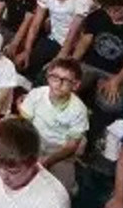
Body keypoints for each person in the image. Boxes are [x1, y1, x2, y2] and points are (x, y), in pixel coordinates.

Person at [71, 0, 123, 118]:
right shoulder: (97, 15)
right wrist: (72, 62)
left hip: (114, 73)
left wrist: (116, 81)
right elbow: (85, 41)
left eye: (117, 10)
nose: (112, 14)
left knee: (112, 105)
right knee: (67, 83)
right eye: (108, 10)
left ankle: (93, 96)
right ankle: (91, 90)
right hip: (89, 64)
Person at [18, 58, 89, 194]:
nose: (58, 84)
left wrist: (48, 160)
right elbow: (24, 125)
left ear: (75, 85)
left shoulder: (79, 109)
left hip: (60, 150)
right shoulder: (36, 94)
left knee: (63, 191)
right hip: (34, 140)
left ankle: (72, 181)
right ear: (48, 77)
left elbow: (71, 145)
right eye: (54, 77)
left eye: (66, 80)